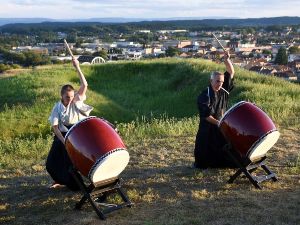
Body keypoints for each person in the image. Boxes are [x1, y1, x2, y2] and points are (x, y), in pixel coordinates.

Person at [46, 57, 93, 190]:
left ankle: (79, 185)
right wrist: (64, 141)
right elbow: (55, 128)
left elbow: (84, 85)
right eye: (67, 97)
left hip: (77, 134)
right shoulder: (57, 107)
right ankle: (61, 180)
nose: (70, 99)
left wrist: (77, 66)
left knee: (72, 162)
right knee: (51, 163)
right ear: (61, 96)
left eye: (72, 96)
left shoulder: (75, 101)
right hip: (62, 136)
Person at [193, 51, 237, 169]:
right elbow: (207, 116)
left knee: (223, 148)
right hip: (208, 127)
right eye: (217, 81)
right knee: (205, 151)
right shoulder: (205, 96)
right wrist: (219, 123)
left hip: (220, 124)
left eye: (222, 82)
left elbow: (231, 72)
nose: (220, 84)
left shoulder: (224, 90)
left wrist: (227, 60)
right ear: (211, 80)